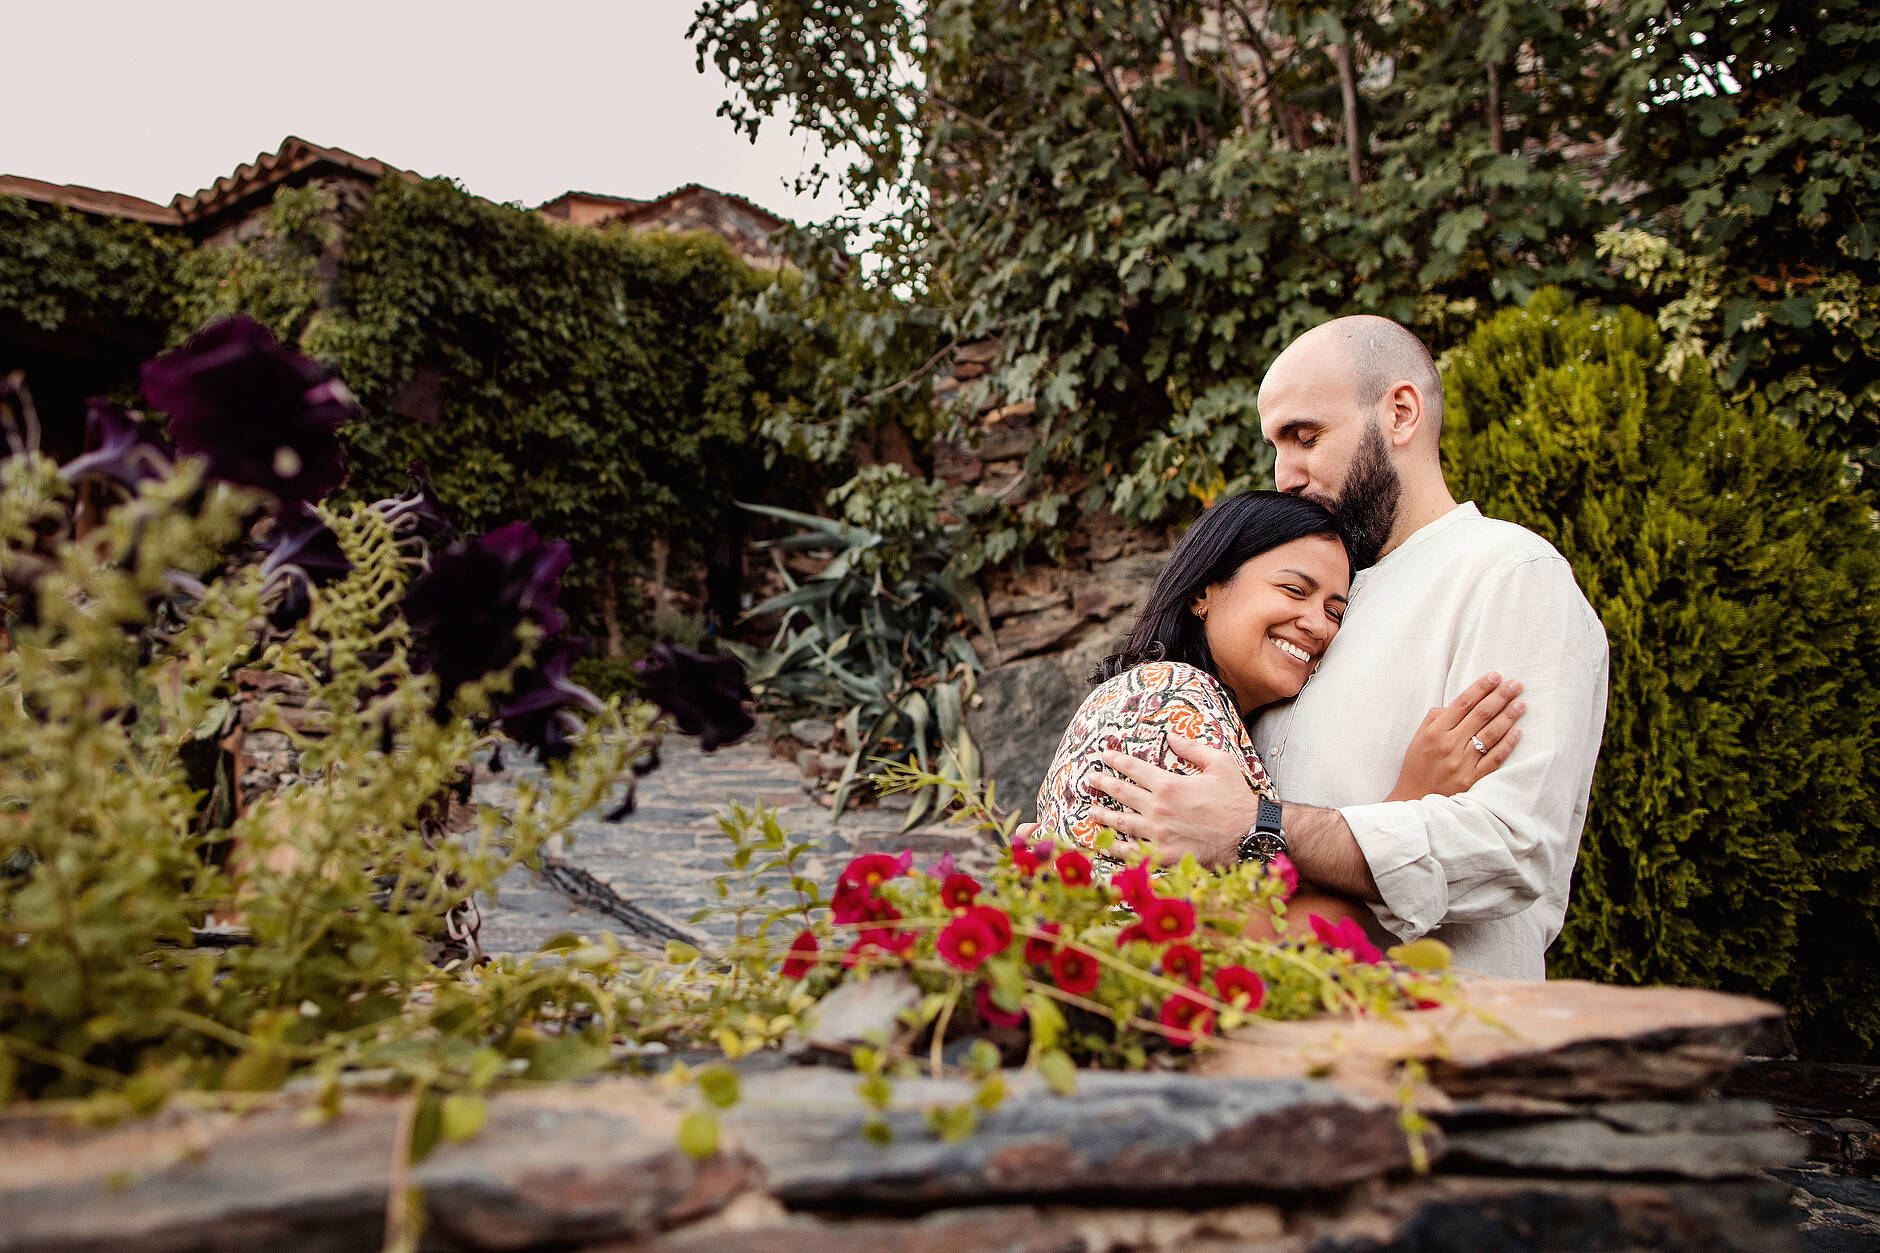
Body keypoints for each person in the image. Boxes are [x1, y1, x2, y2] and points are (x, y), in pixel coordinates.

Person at [1078, 315, 1609, 979]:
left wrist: (1260, 824)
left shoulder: (1506, 573)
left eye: (1305, 438)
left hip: (1439, 1027)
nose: (1285, 476)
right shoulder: (1313, 604)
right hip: (1264, 1018)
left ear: (1401, 413)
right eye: (1276, 446)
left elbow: (1510, 846)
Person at [1034, 490, 1525, 935]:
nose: (1318, 625)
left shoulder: (1152, 693)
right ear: (1204, 590)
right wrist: (1411, 801)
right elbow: (1249, 938)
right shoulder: (1174, 699)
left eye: (1335, 611)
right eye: (1294, 590)